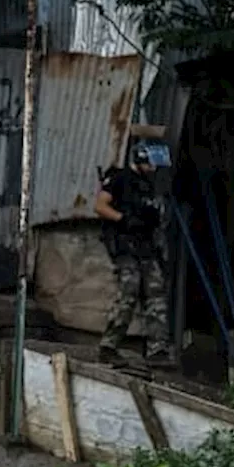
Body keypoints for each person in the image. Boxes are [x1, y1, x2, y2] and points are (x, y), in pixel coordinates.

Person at [94, 142, 174, 369]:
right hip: (124, 246)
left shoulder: (148, 187)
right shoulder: (120, 179)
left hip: (146, 247)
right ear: (140, 160)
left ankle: (157, 350)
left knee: (156, 294)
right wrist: (123, 219)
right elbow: (100, 206)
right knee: (129, 289)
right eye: (151, 163)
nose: (155, 169)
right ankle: (108, 346)